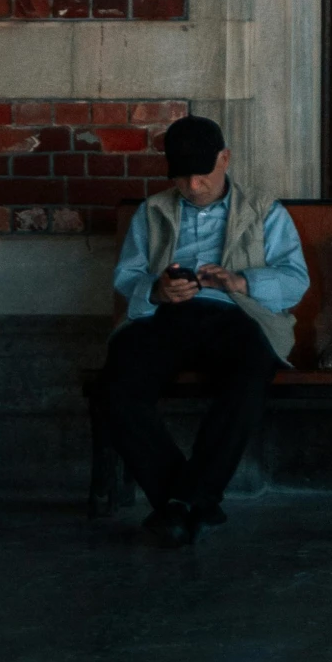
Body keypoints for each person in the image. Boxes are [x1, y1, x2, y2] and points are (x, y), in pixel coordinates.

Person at [94, 115, 309, 546]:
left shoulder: (264, 210)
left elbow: (295, 280)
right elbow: (127, 274)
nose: (192, 186)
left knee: (250, 375)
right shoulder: (152, 211)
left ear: (224, 159)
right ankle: (191, 501)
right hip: (166, 317)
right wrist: (156, 289)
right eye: (182, 177)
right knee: (114, 384)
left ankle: (182, 505)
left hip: (236, 315)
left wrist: (239, 281)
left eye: (201, 174)